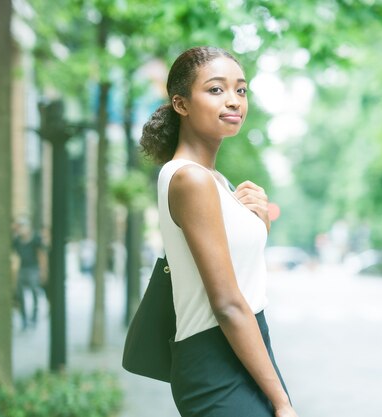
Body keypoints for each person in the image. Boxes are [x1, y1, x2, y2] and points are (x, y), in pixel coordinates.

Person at [140, 46, 299, 417]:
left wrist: (259, 225)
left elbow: (237, 276)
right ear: (181, 104)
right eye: (215, 90)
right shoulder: (190, 179)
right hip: (214, 360)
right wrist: (282, 402)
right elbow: (226, 303)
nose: (233, 101)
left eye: (240, 90)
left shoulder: (217, 181)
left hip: (246, 348)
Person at [13, 220, 45, 330]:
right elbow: (14, 254)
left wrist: (42, 270)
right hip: (22, 269)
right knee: (20, 295)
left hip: (33, 269)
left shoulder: (36, 239)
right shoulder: (17, 240)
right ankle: (24, 319)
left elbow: (41, 254)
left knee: (34, 292)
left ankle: (34, 317)